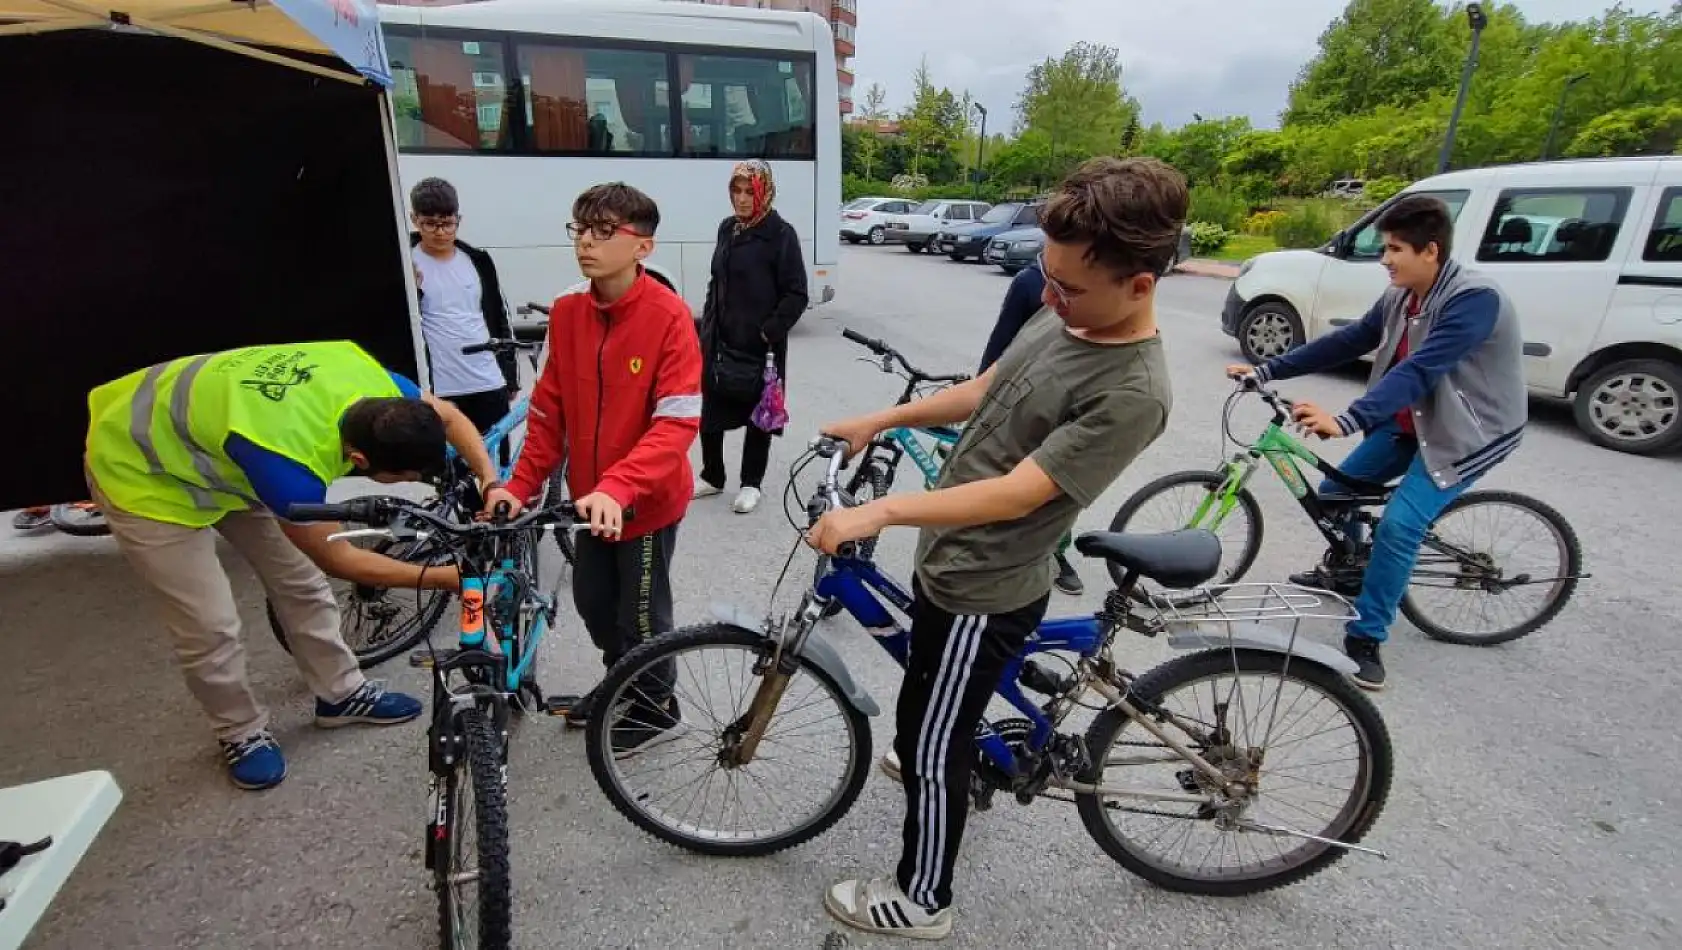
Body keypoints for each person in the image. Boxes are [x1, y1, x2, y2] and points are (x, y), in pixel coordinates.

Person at [805, 156, 1185, 940]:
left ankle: (921, 899)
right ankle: (941, 761)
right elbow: (985, 387)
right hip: (950, 561)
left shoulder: (1133, 390)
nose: (1049, 296)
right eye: (1047, 278)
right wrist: (884, 418)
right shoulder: (1070, 308)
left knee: (934, 738)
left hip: (988, 586)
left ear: (1139, 285)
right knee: (926, 714)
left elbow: (1021, 492)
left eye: (1068, 286)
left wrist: (881, 512)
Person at [82, 339, 520, 790]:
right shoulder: (285, 463)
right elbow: (337, 557)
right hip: (144, 474)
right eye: (405, 476)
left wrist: (490, 482)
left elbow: (446, 416)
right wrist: (450, 579)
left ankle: (341, 695)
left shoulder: (379, 388)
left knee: (300, 585)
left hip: (224, 454)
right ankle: (241, 732)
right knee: (209, 624)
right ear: (359, 460)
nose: (412, 483)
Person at [1228, 193, 1526, 690]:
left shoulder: (1475, 299)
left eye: (1394, 249)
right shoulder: (1401, 295)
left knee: (1398, 529)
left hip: (1464, 432)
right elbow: (1349, 341)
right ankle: (1352, 572)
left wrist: (1346, 420)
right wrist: (1267, 369)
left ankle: (1366, 637)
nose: (1384, 259)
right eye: (1384, 248)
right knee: (1334, 496)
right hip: (1410, 421)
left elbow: (1422, 368)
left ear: (1430, 251)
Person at [503, 182, 703, 757]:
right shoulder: (568, 313)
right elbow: (548, 411)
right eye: (580, 229)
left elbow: (675, 425)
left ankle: (656, 706)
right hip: (589, 500)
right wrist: (519, 486)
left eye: (603, 231)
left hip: (643, 502)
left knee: (640, 614)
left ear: (643, 246)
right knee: (592, 600)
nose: (586, 242)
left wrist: (618, 486)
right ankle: (625, 683)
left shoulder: (669, 319)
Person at [693, 159, 810, 514]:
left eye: (750, 191)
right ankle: (713, 475)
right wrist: (705, 325)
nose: (742, 199)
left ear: (764, 192)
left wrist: (767, 331)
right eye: (736, 191)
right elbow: (718, 280)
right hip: (719, 339)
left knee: (759, 414)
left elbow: (797, 293)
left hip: (761, 346)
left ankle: (751, 483)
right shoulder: (728, 229)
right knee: (710, 409)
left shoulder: (780, 234)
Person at [977, 262, 1085, 596]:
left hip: (1064, 408)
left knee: (1055, 491)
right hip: (1020, 401)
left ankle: (1055, 552)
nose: (1048, 296)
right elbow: (1001, 342)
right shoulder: (1029, 282)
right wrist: (982, 392)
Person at [408, 177, 521, 457]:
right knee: (453, 472)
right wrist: (411, 289)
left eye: (447, 223)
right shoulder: (406, 262)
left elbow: (499, 317)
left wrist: (510, 377)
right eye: (430, 223)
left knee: (496, 462)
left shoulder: (477, 260)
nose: (440, 231)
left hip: (487, 380)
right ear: (414, 220)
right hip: (441, 387)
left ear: (458, 219)